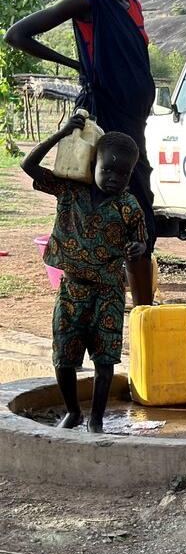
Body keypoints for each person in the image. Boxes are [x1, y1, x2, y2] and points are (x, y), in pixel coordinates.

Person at [5, 0, 157, 307]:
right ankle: (104, 309)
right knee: (104, 211)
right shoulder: (88, 0)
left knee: (140, 216)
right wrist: (76, 65)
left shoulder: (133, 5)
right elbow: (17, 35)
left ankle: (142, 314)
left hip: (134, 123)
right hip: (105, 118)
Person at [21, 114, 146, 434]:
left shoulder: (129, 206)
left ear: (131, 174)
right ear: (92, 163)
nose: (115, 178)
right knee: (63, 356)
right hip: (72, 288)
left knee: (105, 360)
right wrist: (61, 134)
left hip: (109, 291)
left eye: (123, 172)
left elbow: (140, 242)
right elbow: (29, 166)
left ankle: (97, 419)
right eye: (107, 169)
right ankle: (74, 411)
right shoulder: (69, 191)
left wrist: (136, 248)